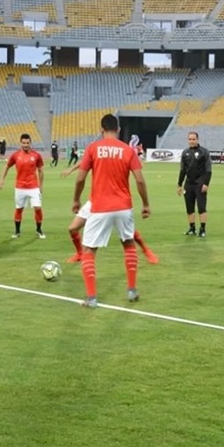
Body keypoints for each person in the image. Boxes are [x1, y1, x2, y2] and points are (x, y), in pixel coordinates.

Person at [73, 114, 150, 308]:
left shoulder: (93, 149)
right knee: (128, 244)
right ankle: (132, 291)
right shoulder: (127, 150)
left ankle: (91, 298)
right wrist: (146, 204)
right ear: (119, 130)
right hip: (124, 206)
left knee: (89, 250)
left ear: (101, 129)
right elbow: (140, 180)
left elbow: (80, 179)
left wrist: (76, 200)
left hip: (99, 206)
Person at [62, 162, 158, 265]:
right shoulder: (96, 150)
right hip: (95, 199)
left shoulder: (119, 152)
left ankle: (146, 250)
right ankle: (80, 254)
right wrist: (72, 169)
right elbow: (85, 161)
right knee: (73, 228)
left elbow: (137, 167)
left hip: (115, 199)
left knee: (127, 232)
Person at [0, 133, 46, 239]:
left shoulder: (36, 155)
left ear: (30, 143)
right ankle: (17, 231)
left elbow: (41, 171)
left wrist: (41, 186)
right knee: (19, 209)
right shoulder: (15, 155)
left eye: (27, 143)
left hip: (33, 187)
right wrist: (2, 179)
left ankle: (39, 229)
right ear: (20, 143)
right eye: (24, 143)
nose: (25, 145)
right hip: (20, 187)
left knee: (37, 208)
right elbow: (6, 166)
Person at [177, 131, 212, 237]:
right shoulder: (185, 152)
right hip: (189, 184)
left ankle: (202, 229)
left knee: (201, 207)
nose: (191, 141)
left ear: (197, 140)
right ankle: (192, 228)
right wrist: (179, 184)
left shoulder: (204, 152)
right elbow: (183, 170)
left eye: (193, 139)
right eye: (190, 139)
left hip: (200, 184)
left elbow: (208, 170)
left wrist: (206, 183)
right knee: (189, 208)